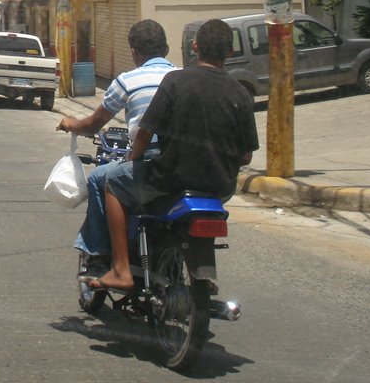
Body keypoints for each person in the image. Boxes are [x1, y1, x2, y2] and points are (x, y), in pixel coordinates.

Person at [89, 19, 259, 292]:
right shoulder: (239, 91)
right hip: (220, 187)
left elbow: (145, 130)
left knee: (113, 183)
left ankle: (121, 269)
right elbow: (246, 156)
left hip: (170, 179)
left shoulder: (176, 81)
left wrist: (134, 157)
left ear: (194, 47)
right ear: (229, 52)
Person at [56, 19, 177, 275]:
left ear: (133, 51)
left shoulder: (128, 81)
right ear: (166, 48)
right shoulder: (182, 77)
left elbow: (92, 124)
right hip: (182, 164)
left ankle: (101, 254)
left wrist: (69, 124)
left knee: (101, 178)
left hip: (149, 165)